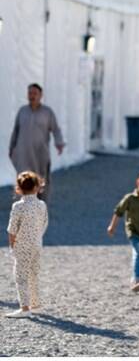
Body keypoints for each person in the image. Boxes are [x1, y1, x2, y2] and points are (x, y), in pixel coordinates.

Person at [9, 84, 65, 203]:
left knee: (41, 179)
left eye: (35, 93)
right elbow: (16, 130)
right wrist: (12, 147)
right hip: (23, 153)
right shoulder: (22, 111)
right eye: (30, 93)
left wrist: (59, 143)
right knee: (23, 178)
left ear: (41, 95)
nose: (32, 96)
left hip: (40, 154)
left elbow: (55, 129)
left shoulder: (47, 112)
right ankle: (22, 204)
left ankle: (41, 203)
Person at [5, 171, 48, 318]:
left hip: (22, 245)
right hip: (37, 244)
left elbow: (12, 229)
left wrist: (12, 246)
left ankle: (25, 308)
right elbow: (44, 223)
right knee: (34, 274)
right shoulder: (42, 205)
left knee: (21, 277)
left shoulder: (18, 206)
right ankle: (36, 305)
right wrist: (37, 237)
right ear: (37, 187)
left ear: (19, 188)